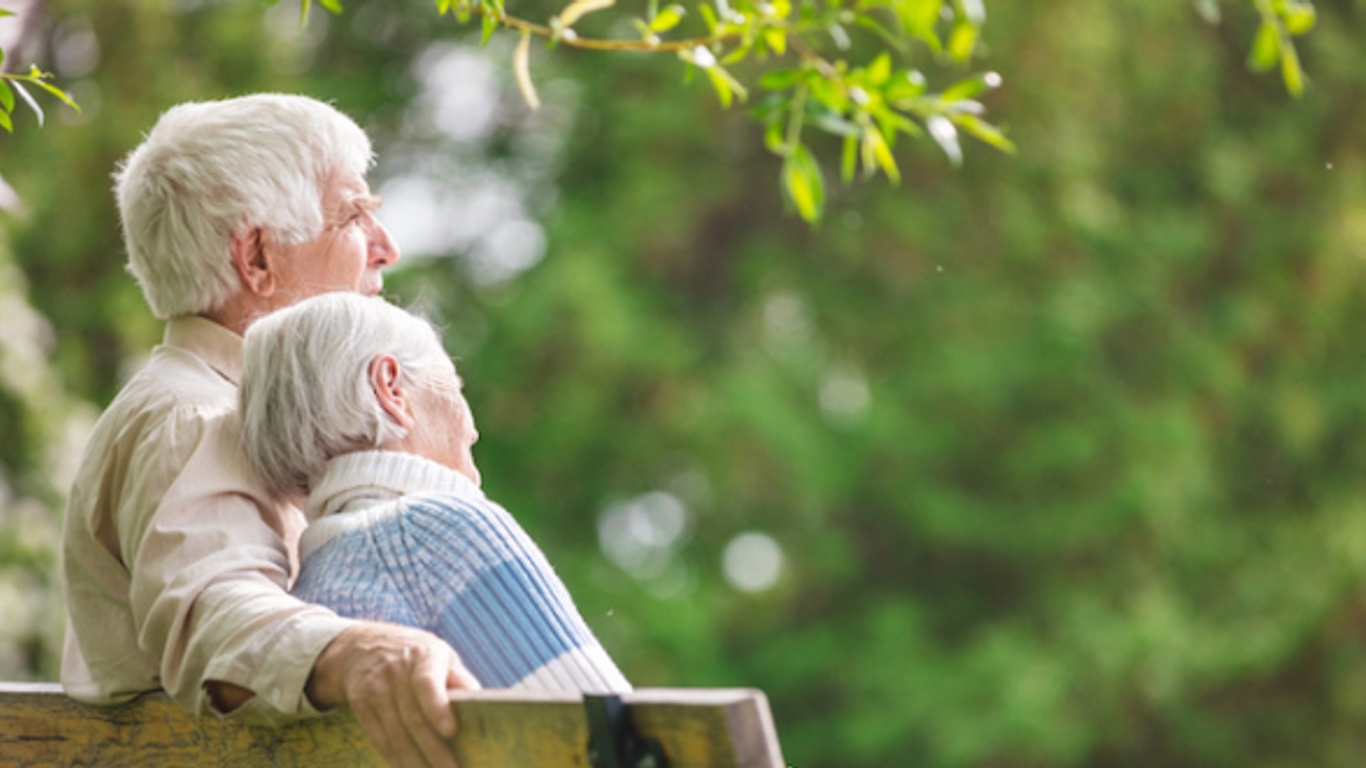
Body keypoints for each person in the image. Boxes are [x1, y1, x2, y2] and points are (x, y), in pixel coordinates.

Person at [60, 94, 478, 768]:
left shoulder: (230, 407)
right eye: (354, 215)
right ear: (255, 256)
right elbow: (212, 609)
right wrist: (361, 651)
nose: (387, 248)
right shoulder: (194, 416)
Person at [237, 292, 632, 693]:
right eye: (455, 385)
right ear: (390, 388)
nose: (473, 429)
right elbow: (617, 736)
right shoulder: (441, 533)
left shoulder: (308, 589)